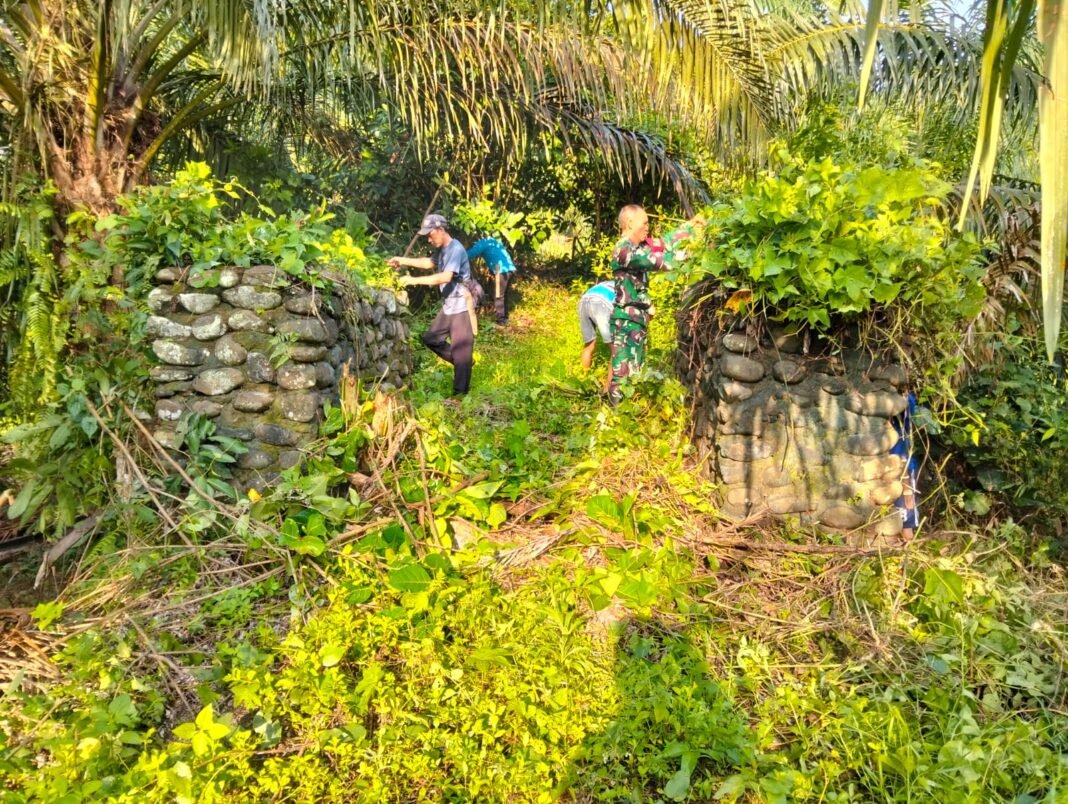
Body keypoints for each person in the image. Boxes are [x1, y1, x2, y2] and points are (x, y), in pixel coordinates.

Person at [608, 204, 700, 403]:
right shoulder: (624, 250)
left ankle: (627, 418)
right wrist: (695, 253)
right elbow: (660, 261)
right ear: (630, 223)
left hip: (636, 320)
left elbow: (665, 243)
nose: (647, 227)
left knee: (634, 373)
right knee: (622, 375)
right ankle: (615, 421)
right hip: (626, 321)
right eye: (645, 223)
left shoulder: (638, 246)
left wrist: (691, 226)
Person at [388, 214, 474, 397]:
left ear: (441, 230)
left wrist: (412, 281)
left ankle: (460, 395)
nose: (428, 239)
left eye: (430, 234)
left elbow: (444, 277)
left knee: (461, 351)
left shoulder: (455, 249)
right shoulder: (442, 248)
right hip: (450, 304)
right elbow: (428, 263)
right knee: (430, 338)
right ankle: (463, 362)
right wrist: (402, 260)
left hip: (462, 305)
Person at [890, 391, 921, 541]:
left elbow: (909, 404)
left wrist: (904, 396)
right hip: (888, 468)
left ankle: (909, 545)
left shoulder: (902, 423)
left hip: (904, 464)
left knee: (906, 507)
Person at [466, 235, 516, 326]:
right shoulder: (494, 241)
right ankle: (505, 317)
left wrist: (457, 255)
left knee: (498, 295)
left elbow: (471, 254)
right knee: (503, 295)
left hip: (500, 270)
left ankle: (501, 321)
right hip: (510, 269)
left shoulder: (483, 242)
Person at [578, 280, 615, 390]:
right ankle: (607, 391)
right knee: (616, 351)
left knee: (589, 345)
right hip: (602, 303)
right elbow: (651, 311)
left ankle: (582, 383)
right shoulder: (629, 287)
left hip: (585, 299)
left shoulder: (611, 281)